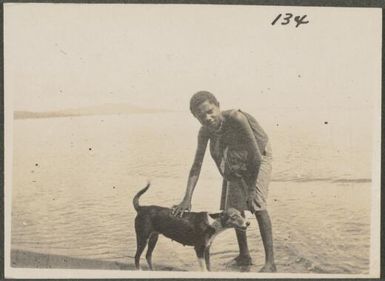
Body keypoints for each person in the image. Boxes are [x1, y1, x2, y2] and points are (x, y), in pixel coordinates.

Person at [172, 91, 276, 272]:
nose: (208, 118)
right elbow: (196, 165)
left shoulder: (236, 118)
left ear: (218, 105)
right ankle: (244, 255)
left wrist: (251, 190)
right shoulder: (204, 132)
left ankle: (270, 263)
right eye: (201, 116)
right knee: (233, 207)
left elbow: (255, 157)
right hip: (235, 154)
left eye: (210, 111)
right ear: (196, 118)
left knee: (257, 204)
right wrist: (187, 198)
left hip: (259, 153)